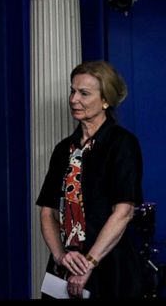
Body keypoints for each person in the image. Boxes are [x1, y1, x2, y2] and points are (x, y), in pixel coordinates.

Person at [37, 61, 143, 299]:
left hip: (108, 266)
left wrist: (88, 263)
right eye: (72, 91)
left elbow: (123, 212)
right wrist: (60, 256)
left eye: (84, 93)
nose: (74, 99)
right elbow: (47, 212)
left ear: (105, 100)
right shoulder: (63, 149)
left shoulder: (122, 144)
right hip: (65, 267)